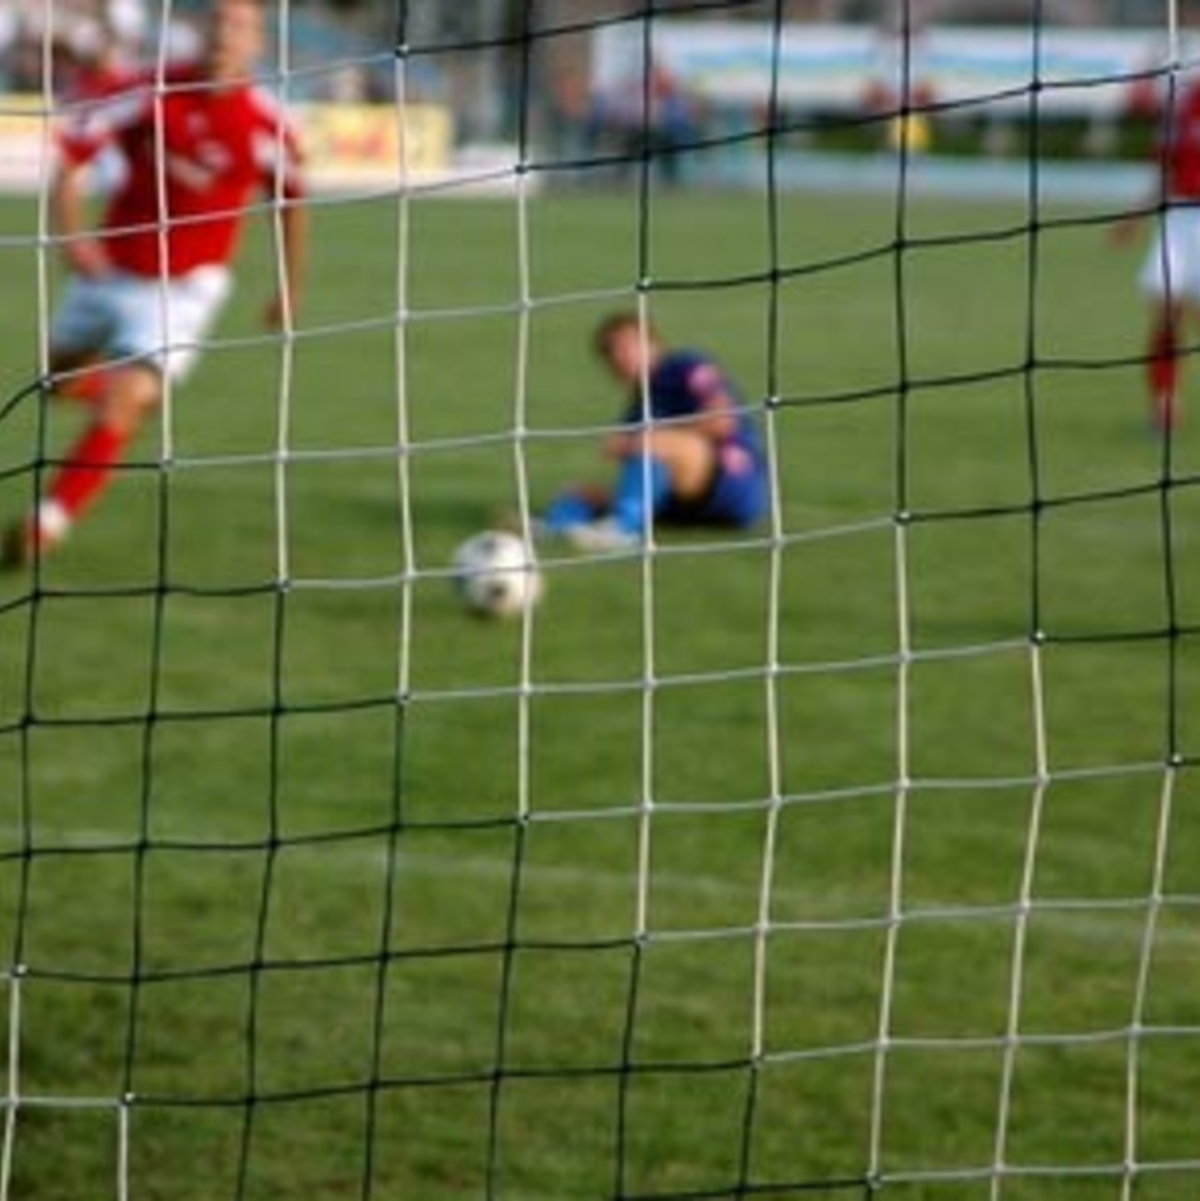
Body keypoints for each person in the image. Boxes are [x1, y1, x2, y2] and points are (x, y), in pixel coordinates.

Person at [2, 0, 307, 569]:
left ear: (257, 46)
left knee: (124, 397)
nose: (226, 37)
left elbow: (291, 204)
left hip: (185, 288)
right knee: (56, 381)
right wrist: (72, 240)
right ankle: (125, 404)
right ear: (200, 33)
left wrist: (289, 287)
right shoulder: (149, 91)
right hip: (111, 269)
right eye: (218, 24)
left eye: (240, 28)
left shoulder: (268, 124)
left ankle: (48, 522)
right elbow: (70, 160)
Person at [541, 311, 769, 551]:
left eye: (628, 345)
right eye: (611, 351)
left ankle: (623, 529)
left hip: (733, 488)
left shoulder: (686, 367)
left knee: (651, 441)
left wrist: (640, 441)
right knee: (582, 493)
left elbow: (722, 421)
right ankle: (554, 528)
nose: (620, 356)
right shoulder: (639, 405)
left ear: (653, 342)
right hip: (680, 503)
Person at [1112, 64, 1200, 432]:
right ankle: (1164, 405)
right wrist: (1135, 217)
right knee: (1165, 311)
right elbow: (1165, 169)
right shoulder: (1184, 102)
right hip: (1178, 219)